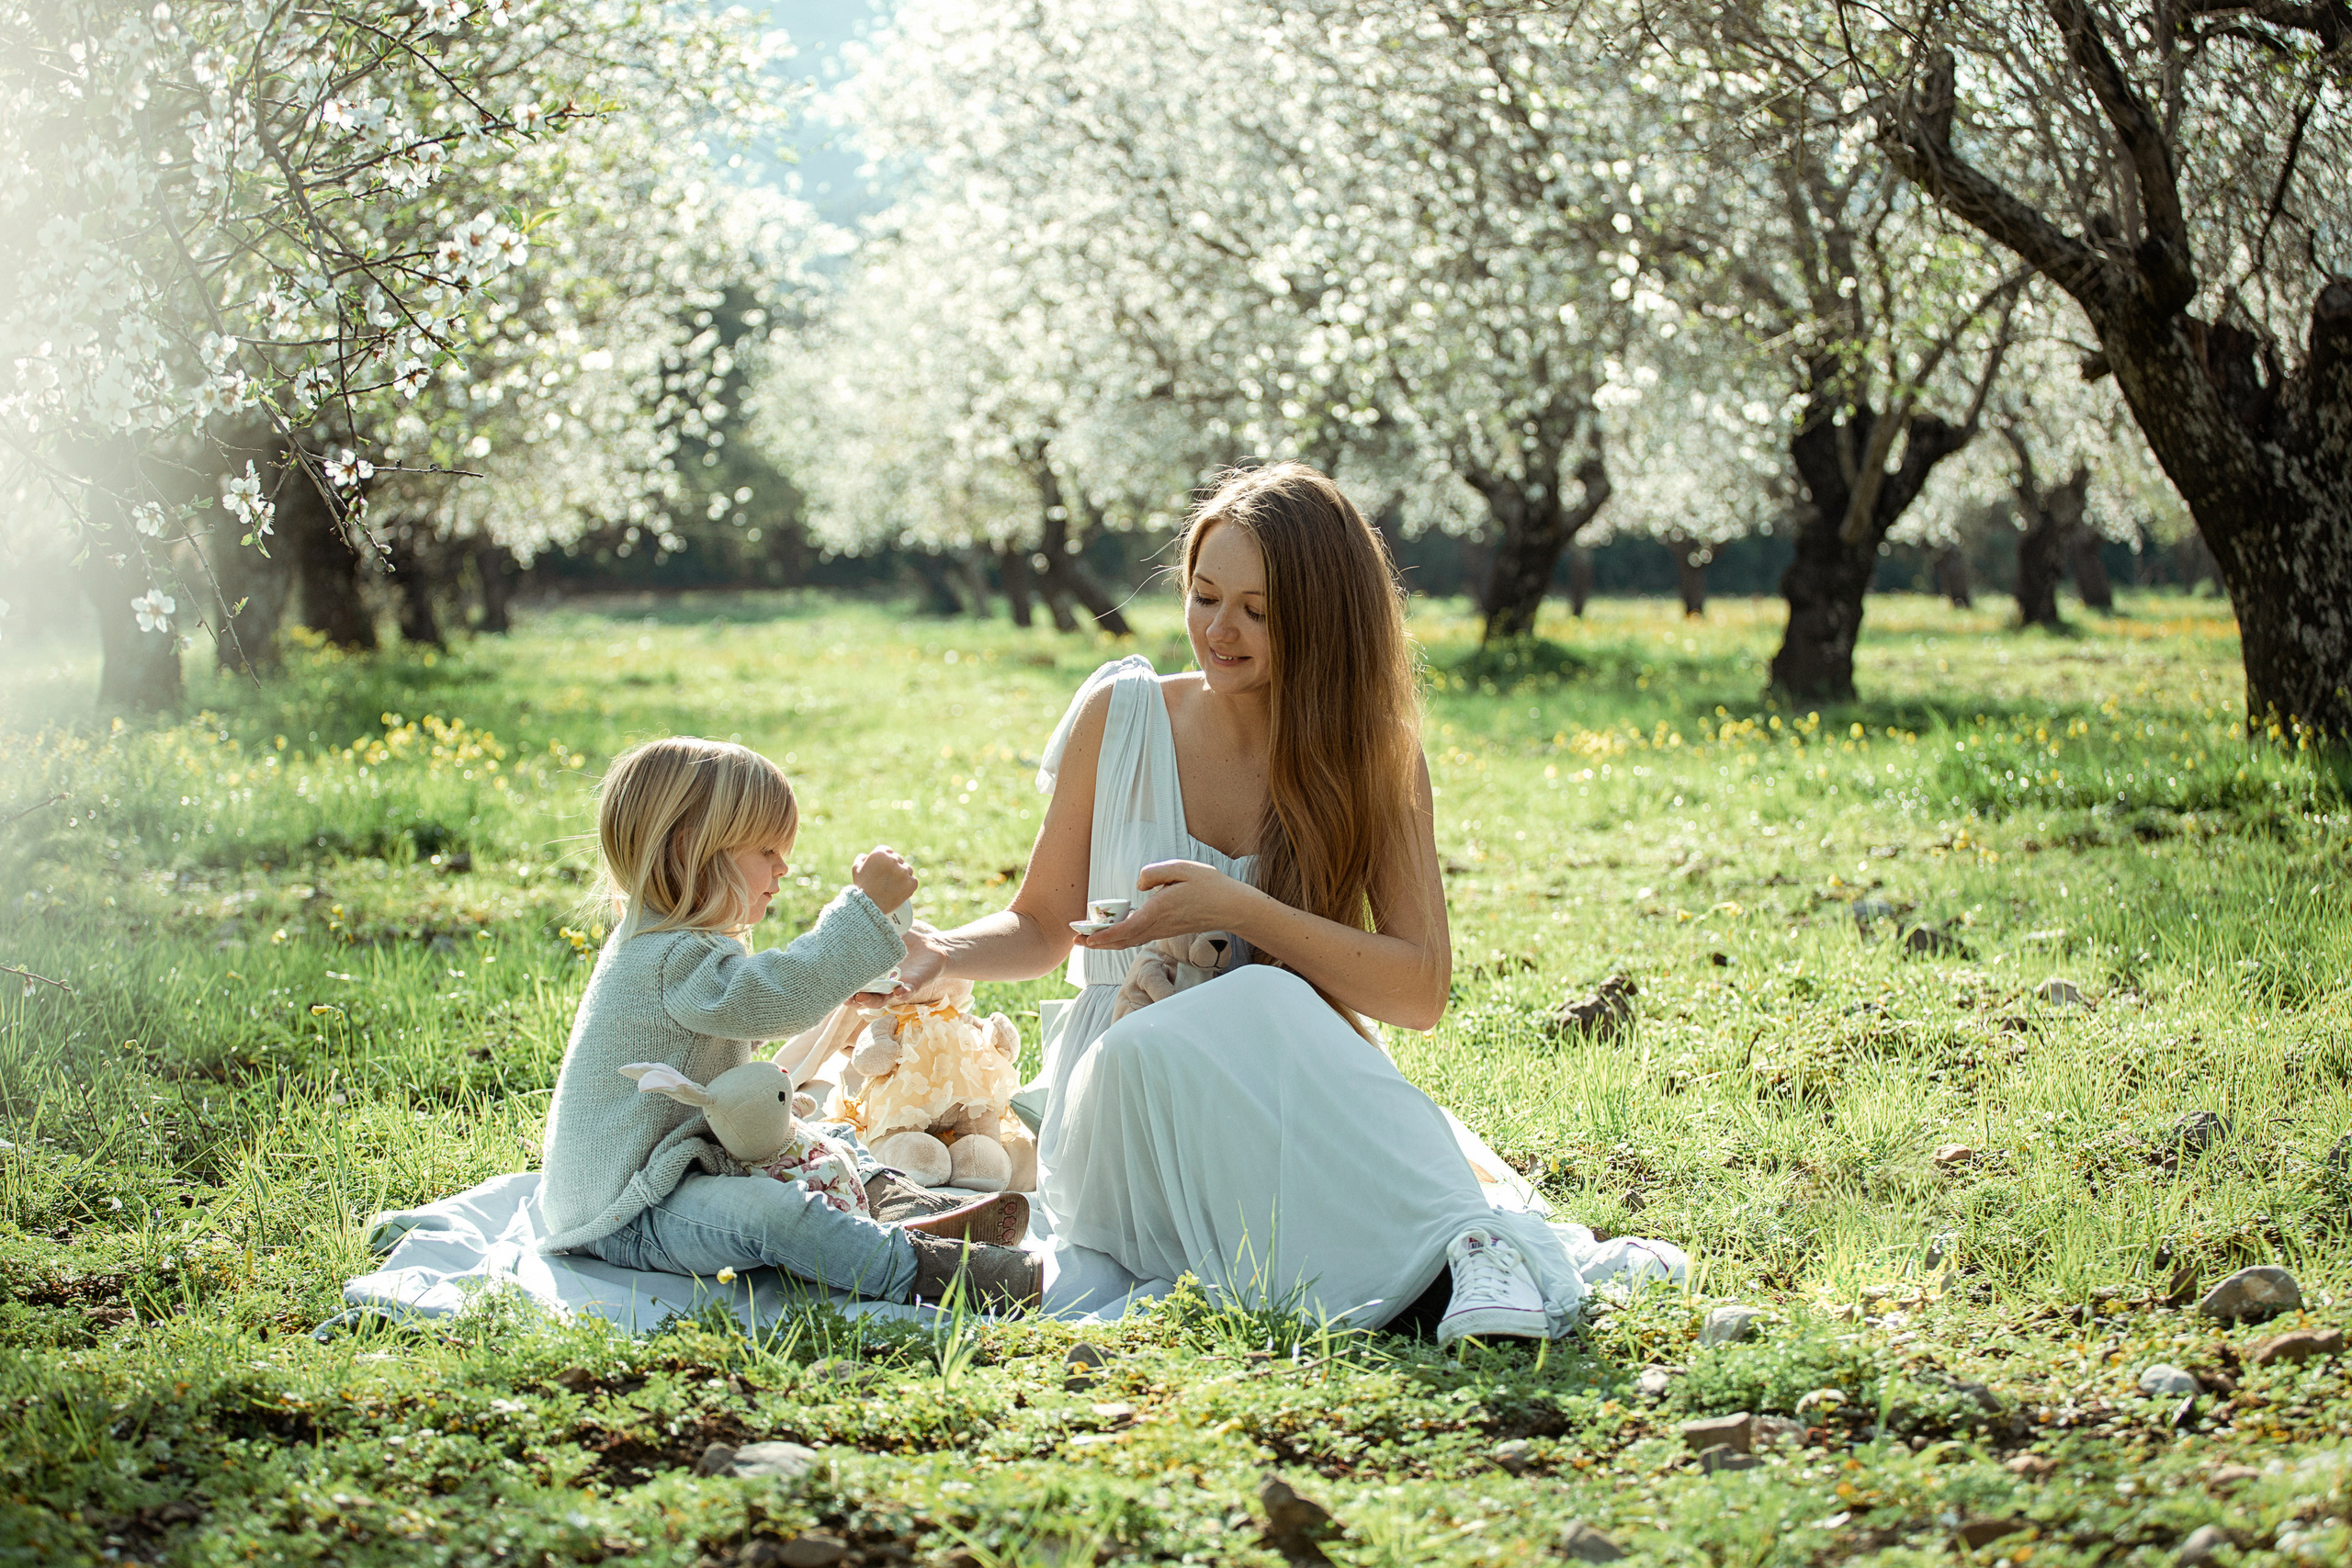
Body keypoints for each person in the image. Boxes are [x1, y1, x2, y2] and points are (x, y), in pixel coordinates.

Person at [896, 463, 1677, 1340]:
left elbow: (1418, 994)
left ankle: (1470, 1262)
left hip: (1286, 1095)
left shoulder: (1371, 754)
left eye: (1258, 611)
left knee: (1265, 997)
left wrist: (1243, 910)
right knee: (1259, 996)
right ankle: (1469, 1255)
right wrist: (944, 953)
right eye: (1203, 596)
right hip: (1120, 1084)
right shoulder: (1118, 719)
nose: (1219, 630)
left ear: (1323, 618)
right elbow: (1042, 924)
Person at [536, 737, 1040, 1310]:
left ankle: (906, 1209)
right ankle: (927, 1269)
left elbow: (756, 1006)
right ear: (690, 851)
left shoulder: (669, 944)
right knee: (775, 1218)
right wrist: (863, 912)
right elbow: (773, 999)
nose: (784, 868)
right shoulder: (666, 956)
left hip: (679, 1164)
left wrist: (847, 983)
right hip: (628, 1207)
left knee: (827, 1139)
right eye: (766, 851)